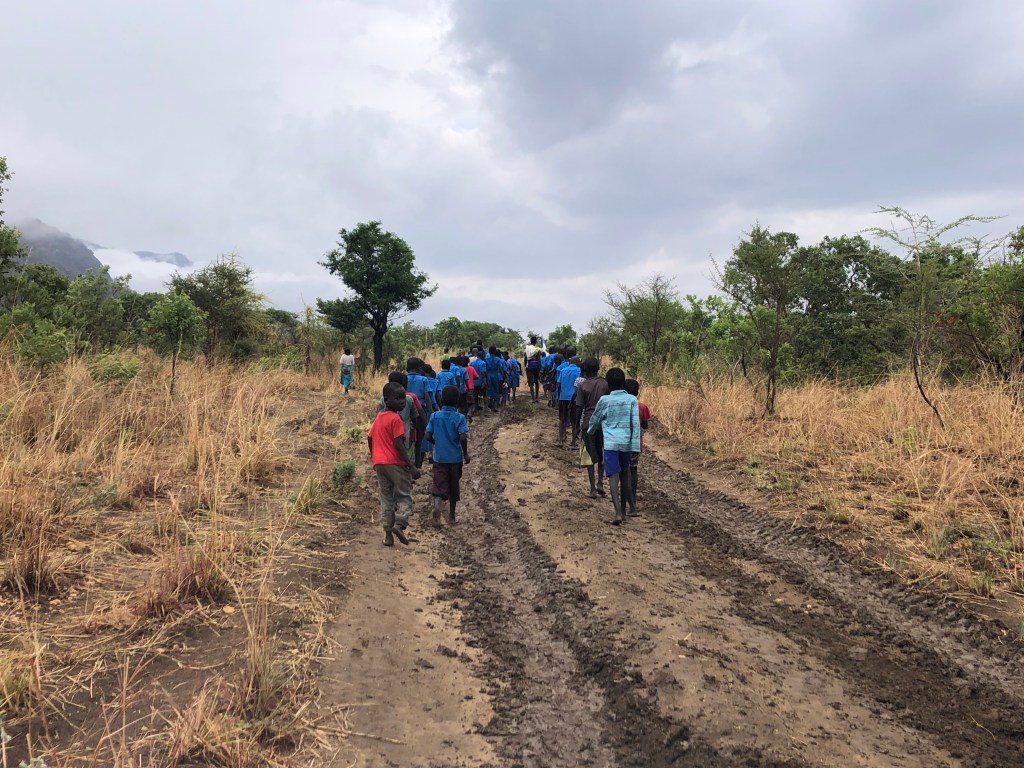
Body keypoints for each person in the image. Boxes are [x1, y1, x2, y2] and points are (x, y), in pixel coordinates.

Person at [368, 382, 422, 546]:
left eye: (403, 398)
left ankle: (387, 535)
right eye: (397, 398)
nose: (402, 401)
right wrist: (411, 465)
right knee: (405, 496)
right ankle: (399, 524)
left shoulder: (379, 418)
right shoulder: (396, 419)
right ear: (386, 400)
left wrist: (374, 456)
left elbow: (370, 438)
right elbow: (399, 444)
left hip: (380, 464)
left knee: (386, 499)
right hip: (396, 463)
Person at [587, 367, 640, 526]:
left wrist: (590, 431)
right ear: (623, 383)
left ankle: (617, 512)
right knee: (625, 475)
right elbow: (635, 425)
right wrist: (635, 447)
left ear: (608, 385)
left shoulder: (604, 401)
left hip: (610, 444)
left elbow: (595, 419)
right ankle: (624, 511)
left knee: (612, 476)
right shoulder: (632, 400)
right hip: (626, 443)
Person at [425, 385, 470, 524]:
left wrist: (436, 442)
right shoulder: (460, 418)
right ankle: (451, 516)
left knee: (439, 484)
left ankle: (437, 507)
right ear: (457, 401)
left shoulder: (434, 416)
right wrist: (466, 454)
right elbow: (462, 437)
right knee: (453, 485)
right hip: (455, 458)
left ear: (442, 400)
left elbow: (427, 435)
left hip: (439, 457)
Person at [576, 358, 609, 498]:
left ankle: (592, 488)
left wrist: (577, 425)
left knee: (589, 455)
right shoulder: (605, 383)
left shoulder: (582, 386)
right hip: (604, 423)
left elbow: (579, 407)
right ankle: (600, 482)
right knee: (602, 453)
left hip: (588, 423)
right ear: (598, 368)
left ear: (584, 369)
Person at [623, 379, 652, 516]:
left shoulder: (621, 405)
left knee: (624, 472)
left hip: (622, 443)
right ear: (637, 391)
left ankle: (629, 504)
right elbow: (645, 425)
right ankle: (633, 499)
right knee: (633, 471)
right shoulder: (642, 407)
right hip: (635, 443)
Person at [554, 348, 581, 447]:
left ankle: (561, 440)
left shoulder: (563, 370)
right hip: (574, 399)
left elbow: (559, 384)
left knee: (562, 419)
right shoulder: (579, 371)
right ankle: (573, 443)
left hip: (563, 397)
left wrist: (558, 397)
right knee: (574, 421)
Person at [485, 346, 504, 411]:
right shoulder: (497, 359)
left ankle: (488, 404)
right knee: (496, 390)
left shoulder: (486, 359)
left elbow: (485, 369)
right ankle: (494, 406)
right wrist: (503, 376)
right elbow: (500, 368)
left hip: (488, 375)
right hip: (495, 375)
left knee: (489, 390)